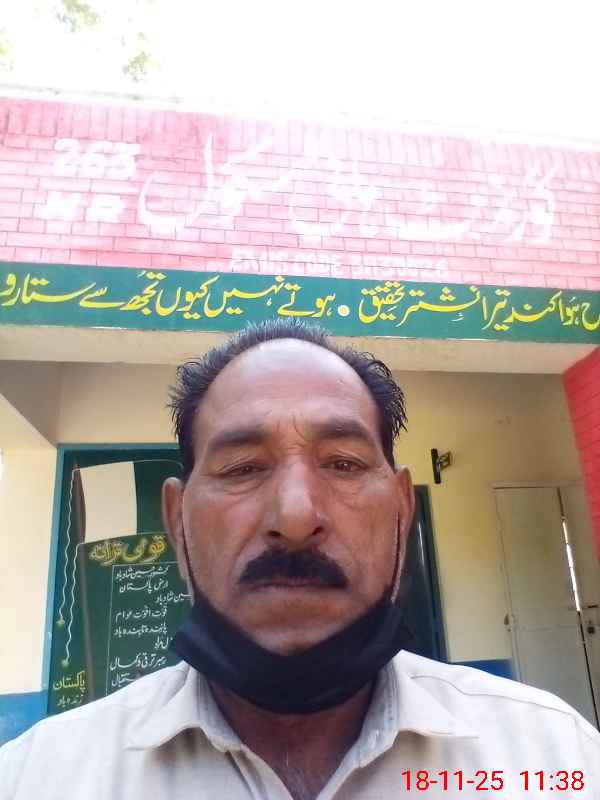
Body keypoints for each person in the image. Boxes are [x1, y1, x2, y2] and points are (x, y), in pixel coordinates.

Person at [2, 318, 599, 800]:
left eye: (343, 463)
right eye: (242, 468)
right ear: (177, 522)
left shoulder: (553, 759)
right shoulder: (39, 780)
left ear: (401, 511)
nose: (294, 516)